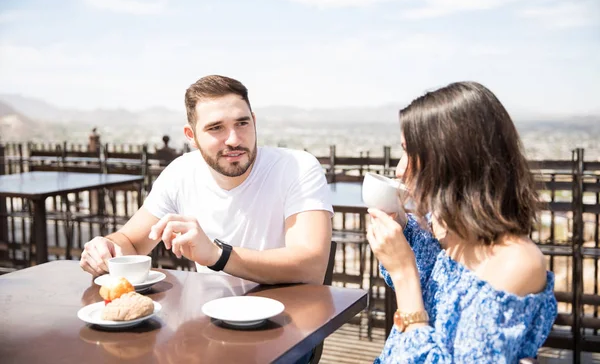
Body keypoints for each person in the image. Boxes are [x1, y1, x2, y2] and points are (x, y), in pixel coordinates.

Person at [79, 75, 333, 286]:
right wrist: (107, 248)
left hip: (287, 325)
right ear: (191, 135)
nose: (234, 139)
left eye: (242, 123)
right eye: (216, 128)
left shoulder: (296, 167)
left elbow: (309, 267)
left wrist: (217, 255)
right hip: (211, 322)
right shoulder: (181, 173)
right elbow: (132, 242)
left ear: (254, 122)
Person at [367, 82, 557, 363]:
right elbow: (429, 287)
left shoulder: (517, 263)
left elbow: (412, 288)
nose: (399, 169)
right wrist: (402, 226)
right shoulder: (444, 225)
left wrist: (404, 274)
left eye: (410, 153)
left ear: (453, 160)